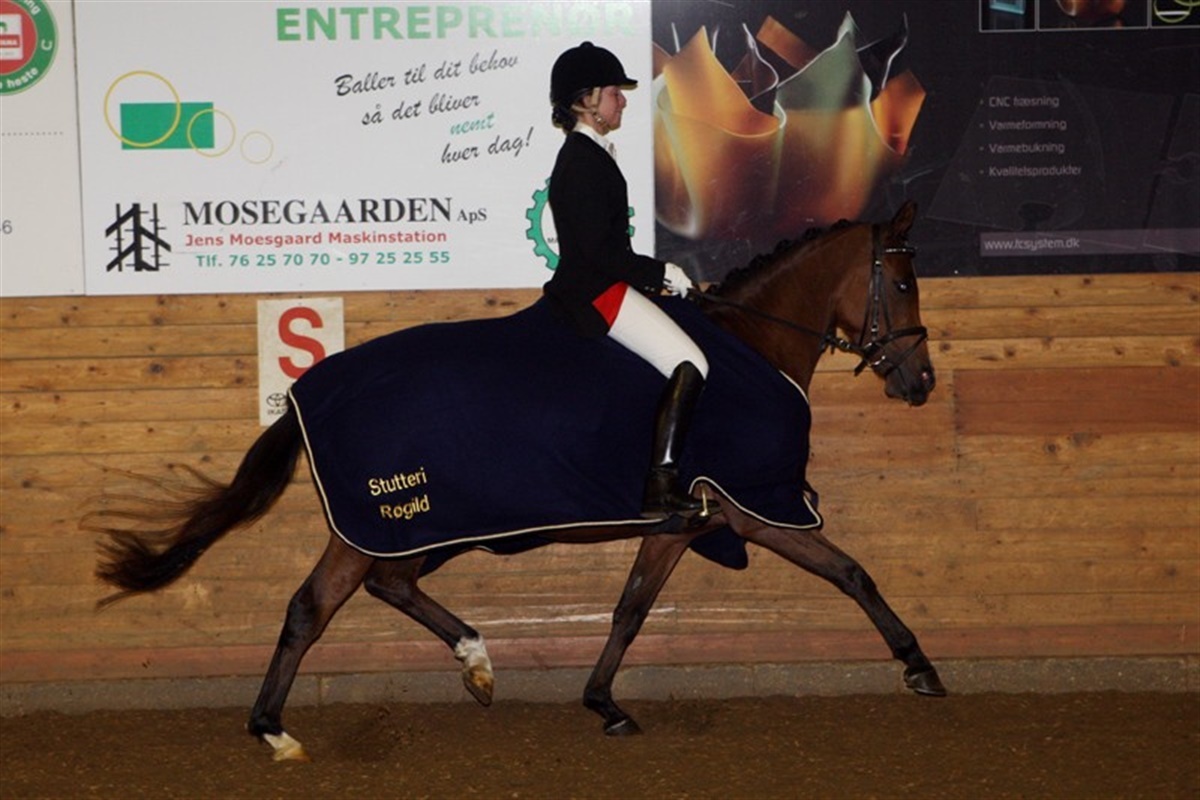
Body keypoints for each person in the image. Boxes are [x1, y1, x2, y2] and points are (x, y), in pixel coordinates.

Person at [543, 41, 712, 520]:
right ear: (586, 101)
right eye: (614, 92)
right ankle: (661, 485)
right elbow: (600, 252)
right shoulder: (581, 161)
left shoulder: (592, 154)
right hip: (595, 292)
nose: (623, 100)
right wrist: (661, 272)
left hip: (604, 283)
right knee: (690, 362)